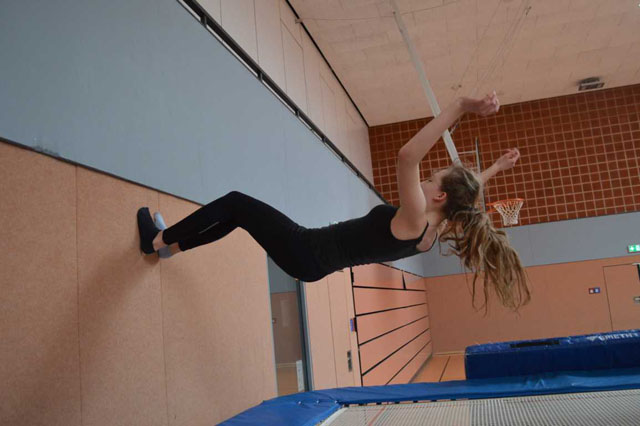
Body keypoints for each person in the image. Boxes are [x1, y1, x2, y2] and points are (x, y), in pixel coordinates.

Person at [137, 92, 530, 311]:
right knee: (240, 215)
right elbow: (463, 198)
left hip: (304, 248)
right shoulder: (434, 230)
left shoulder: (415, 218)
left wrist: (460, 106)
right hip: (312, 261)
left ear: (438, 196)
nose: (423, 182)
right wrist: (495, 168)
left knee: (236, 202)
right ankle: (173, 247)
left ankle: (156, 240)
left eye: (430, 181)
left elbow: (407, 156)